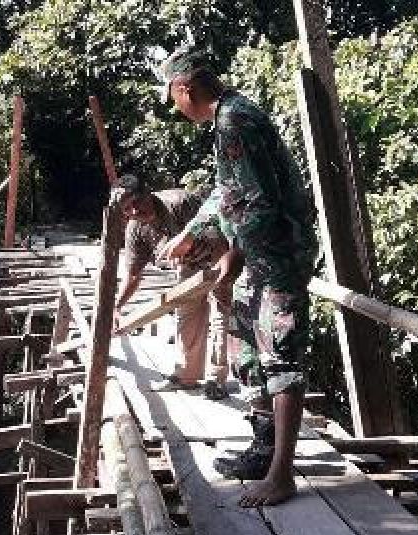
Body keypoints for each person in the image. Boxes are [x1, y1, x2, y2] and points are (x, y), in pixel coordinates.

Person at [156, 45, 316, 507]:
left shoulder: (234, 122)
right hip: (258, 254)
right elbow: (227, 194)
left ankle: (281, 475)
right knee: (247, 341)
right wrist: (190, 233)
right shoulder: (229, 116)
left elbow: (260, 203)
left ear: (185, 88)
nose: (174, 106)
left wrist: (233, 257)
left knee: (280, 356)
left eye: (172, 95)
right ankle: (263, 452)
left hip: (278, 255)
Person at [112, 173, 230, 399]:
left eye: (136, 203)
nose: (135, 212)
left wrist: (192, 244)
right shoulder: (135, 229)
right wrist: (117, 307)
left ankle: (217, 379)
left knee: (220, 316)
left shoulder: (179, 203)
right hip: (188, 266)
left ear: (147, 193)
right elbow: (134, 274)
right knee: (185, 314)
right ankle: (187, 376)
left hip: (217, 254)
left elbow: (218, 224)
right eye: (127, 210)